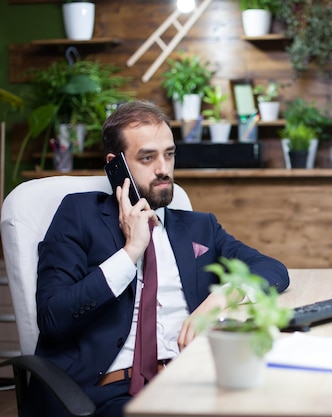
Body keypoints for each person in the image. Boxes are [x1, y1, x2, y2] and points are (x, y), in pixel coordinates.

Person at [26, 100, 290, 417]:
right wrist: (130, 252)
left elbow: (273, 270)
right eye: (147, 157)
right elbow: (53, 318)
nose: (164, 169)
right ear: (116, 165)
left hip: (192, 380)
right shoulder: (79, 214)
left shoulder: (199, 226)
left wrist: (226, 295)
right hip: (107, 393)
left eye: (169, 154)